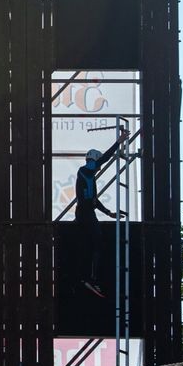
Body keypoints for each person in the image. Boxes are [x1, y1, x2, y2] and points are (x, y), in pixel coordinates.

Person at [75, 126, 130, 298]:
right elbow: (103, 159)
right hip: (84, 213)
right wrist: (118, 143)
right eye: (96, 164)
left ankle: (87, 278)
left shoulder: (90, 178)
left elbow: (94, 201)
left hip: (85, 212)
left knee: (90, 245)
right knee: (97, 242)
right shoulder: (85, 171)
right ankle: (91, 278)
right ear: (93, 160)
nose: (98, 168)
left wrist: (109, 213)